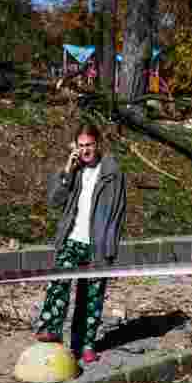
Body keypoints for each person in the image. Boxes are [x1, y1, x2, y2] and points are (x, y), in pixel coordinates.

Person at [36, 122, 127, 365]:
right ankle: (50, 329)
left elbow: (118, 212)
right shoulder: (73, 170)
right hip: (72, 239)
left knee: (92, 298)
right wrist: (67, 169)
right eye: (81, 146)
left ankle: (85, 345)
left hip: (96, 245)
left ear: (98, 145)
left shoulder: (111, 172)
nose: (86, 150)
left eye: (90, 145)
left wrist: (110, 248)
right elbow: (55, 201)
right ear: (75, 147)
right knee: (59, 282)